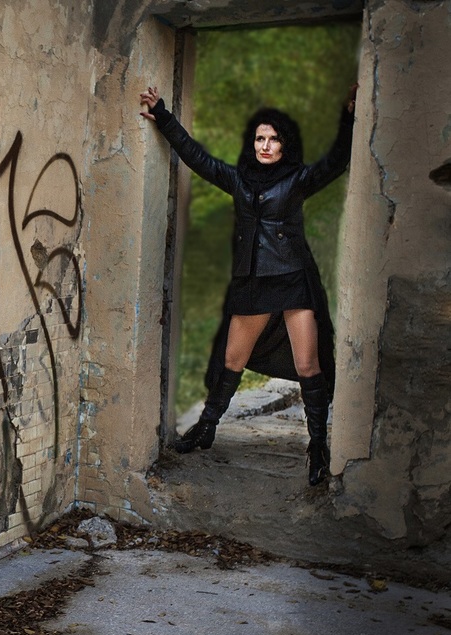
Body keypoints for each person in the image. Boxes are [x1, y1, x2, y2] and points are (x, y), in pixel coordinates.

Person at [141, 83, 357, 486]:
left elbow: (336, 163)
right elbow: (198, 158)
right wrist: (164, 118)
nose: (266, 145)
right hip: (253, 283)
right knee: (231, 360)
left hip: (292, 280)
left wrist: (349, 118)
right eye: (260, 138)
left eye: (273, 139)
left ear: (283, 145)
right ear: (252, 143)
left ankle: (318, 447)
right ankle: (206, 429)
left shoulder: (297, 180)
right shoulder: (239, 179)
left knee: (308, 364)